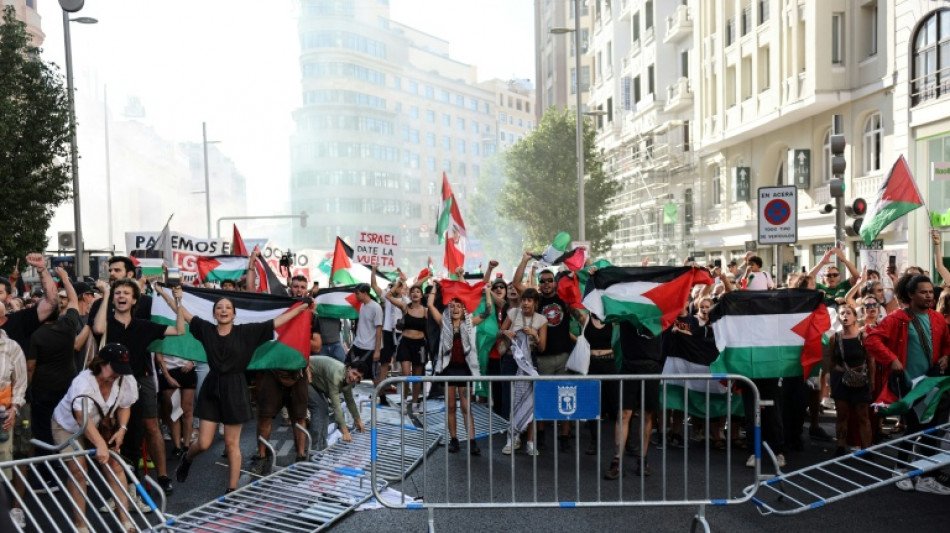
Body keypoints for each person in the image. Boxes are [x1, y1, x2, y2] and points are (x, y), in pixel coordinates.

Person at [174, 294, 312, 493]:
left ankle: (231, 490)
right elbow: (185, 315)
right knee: (203, 443)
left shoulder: (247, 332)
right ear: (214, 313)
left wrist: (300, 309)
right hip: (212, 387)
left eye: (227, 308)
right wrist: (170, 296)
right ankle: (187, 458)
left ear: (234, 314)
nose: (223, 310)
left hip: (235, 388)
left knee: (232, 444)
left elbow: (275, 322)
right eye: (219, 307)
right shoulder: (206, 329)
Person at [90, 278, 184, 497]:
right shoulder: (107, 323)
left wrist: (178, 303)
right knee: (112, 434)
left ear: (134, 300)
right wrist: (105, 295)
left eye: (125, 294)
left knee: (140, 431)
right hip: (109, 384)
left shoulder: (143, 325)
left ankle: (148, 481)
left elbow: (179, 330)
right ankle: (119, 488)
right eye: (117, 293)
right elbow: (97, 328)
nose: (121, 296)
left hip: (136, 384)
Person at [865, 274, 950, 493]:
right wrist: (891, 359)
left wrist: (946, 356)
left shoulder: (938, 318)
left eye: (931, 292)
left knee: (931, 430)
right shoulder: (897, 318)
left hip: (931, 384)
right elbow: (871, 339)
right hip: (908, 385)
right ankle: (900, 469)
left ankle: (925, 476)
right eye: (923, 292)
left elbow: (948, 344)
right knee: (913, 428)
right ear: (911, 295)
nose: (929, 296)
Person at [51, 343, 138, 533]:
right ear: (101, 363)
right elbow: (81, 418)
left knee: (115, 466)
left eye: (121, 370)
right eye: (114, 368)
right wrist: (100, 444)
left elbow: (125, 405)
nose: (117, 374)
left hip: (100, 423)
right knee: (78, 470)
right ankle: (81, 526)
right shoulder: (83, 382)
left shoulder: (125, 379)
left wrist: (122, 429)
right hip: (68, 425)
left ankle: (126, 522)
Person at [250, 274, 314, 474]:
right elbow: (253, 296)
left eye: (302, 287)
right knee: (265, 416)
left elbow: (318, 344)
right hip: (273, 371)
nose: (299, 290)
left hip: (298, 372)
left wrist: (298, 338)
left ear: (307, 289)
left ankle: (302, 455)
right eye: (295, 286)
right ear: (290, 288)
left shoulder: (313, 314)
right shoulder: (277, 310)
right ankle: (262, 455)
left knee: (299, 417)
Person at [513, 253, 575, 452]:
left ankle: (564, 437)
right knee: (542, 397)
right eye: (543, 281)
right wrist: (524, 260)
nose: (547, 283)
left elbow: (580, 285)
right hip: (543, 357)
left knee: (565, 396)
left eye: (550, 280)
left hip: (565, 356)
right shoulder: (536, 300)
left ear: (555, 283)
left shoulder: (564, 299)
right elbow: (516, 283)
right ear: (539, 284)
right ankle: (540, 437)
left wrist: (569, 259)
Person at [428, 279, 491, 455]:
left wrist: (487, 291)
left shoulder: (470, 323)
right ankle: (454, 440)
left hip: (464, 370)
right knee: (450, 407)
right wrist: (434, 286)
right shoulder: (443, 322)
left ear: (464, 309)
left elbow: (488, 311)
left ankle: (472, 441)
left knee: (466, 407)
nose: (455, 309)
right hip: (448, 369)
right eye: (452, 306)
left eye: (458, 306)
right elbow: (430, 305)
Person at [499, 288, 547, 454]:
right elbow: (500, 332)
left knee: (531, 400)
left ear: (535, 303)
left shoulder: (541, 320)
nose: (526, 303)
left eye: (530, 300)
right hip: (511, 360)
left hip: (529, 362)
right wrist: (508, 333)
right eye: (524, 300)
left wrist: (534, 334)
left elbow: (542, 347)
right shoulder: (513, 313)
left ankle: (531, 442)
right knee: (511, 399)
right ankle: (512, 439)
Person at [308, 356, 366, 449]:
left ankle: (322, 446)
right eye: (354, 374)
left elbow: (350, 400)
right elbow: (336, 406)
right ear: (349, 369)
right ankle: (314, 449)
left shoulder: (349, 377)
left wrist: (358, 420)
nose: (354, 378)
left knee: (324, 409)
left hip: (316, 381)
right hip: (305, 375)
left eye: (358, 377)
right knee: (319, 409)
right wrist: (345, 431)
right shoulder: (336, 375)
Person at [387, 283, 429, 412]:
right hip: (405, 343)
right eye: (413, 292)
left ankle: (415, 403)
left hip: (420, 345)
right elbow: (388, 296)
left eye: (418, 291)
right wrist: (398, 284)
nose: (415, 294)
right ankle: (404, 401)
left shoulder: (426, 310)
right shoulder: (405, 307)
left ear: (421, 295)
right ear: (409, 295)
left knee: (417, 376)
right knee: (405, 374)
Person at [371, 268, 407, 407]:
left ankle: (405, 398)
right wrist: (373, 270)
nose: (398, 288)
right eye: (396, 286)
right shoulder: (387, 297)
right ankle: (382, 396)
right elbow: (374, 286)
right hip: (387, 332)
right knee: (384, 366)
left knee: (404, 367)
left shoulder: (406, 300)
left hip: (401, 334)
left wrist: (403, 281)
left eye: (400, 286)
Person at [155, 352, 196, 459]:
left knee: (187, 409)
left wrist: (192, 362)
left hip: (188, 370)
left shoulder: (188, 334)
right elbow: (158, 355)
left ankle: (186, 446)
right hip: (168, 370)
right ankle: (177, 447)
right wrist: (167, 376)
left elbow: (196, 348)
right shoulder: (164, 335)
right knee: (173, 410)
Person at [347, 284, 383, 379]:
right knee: (347, 366)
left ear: (365, 293)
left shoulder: (376, 307)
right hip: (357, 344)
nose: (356, 296)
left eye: (358, 293)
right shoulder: (362, 305)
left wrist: (377, 350)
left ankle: (380, 394)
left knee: (372, 375)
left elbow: (379, 330)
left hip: (370, 347)